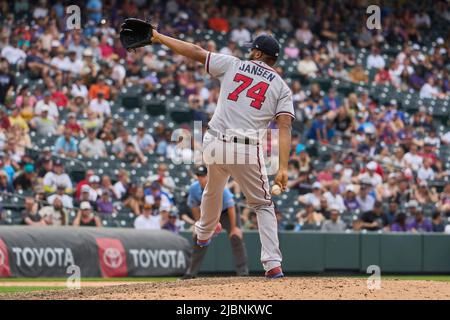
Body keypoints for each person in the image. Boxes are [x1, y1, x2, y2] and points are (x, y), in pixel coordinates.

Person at [149, 30, 293, 278]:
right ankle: (272, 264)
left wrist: (159, 37)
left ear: (258, 53)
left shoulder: (233, 64)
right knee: (263, 205)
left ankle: (203, 234)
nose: (250, 52)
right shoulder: (281, 87)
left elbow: (196, 51)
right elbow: (285, 126)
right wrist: (283, 167)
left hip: (214, 141)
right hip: (246, 148)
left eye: (252, 49)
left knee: (213, 188)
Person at [183, 165, 249, 279]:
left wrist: (234, 228)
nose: (201, 178)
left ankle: (243, 272)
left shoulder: (219, 186)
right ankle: (191, 273)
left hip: (227, 213)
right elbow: (193, 206)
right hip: (209, 213)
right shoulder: (194, 188)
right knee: (198, 237)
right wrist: (198, 224)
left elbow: (231, 206)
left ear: (208, 176)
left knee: (236, 237)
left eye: (203, 176)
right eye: (199, 176)